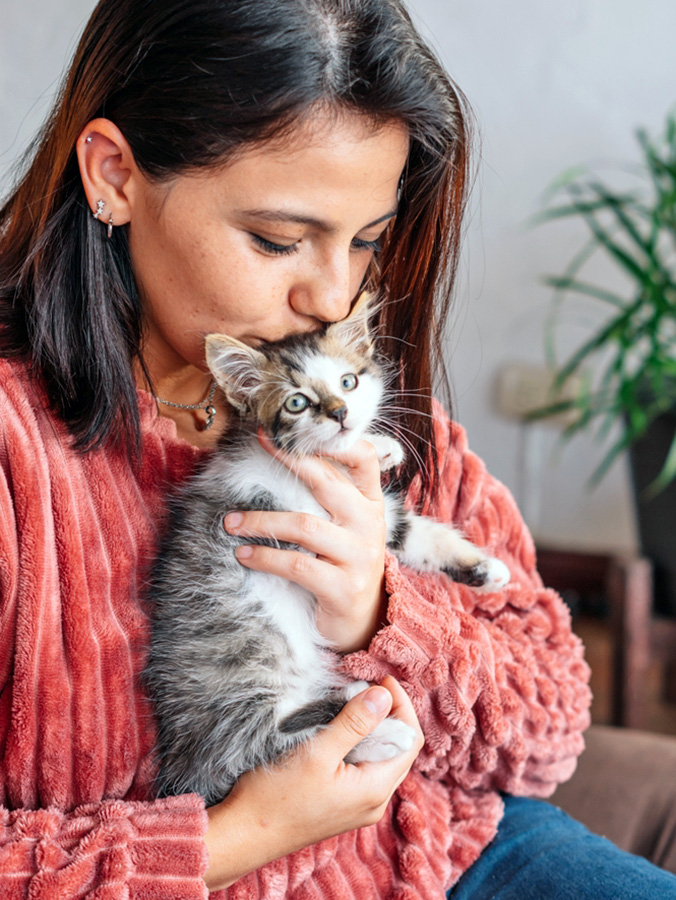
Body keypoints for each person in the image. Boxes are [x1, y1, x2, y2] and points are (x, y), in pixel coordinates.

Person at [0, 1, 674, 898]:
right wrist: (240, 835)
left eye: (367, 242)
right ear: (115, 176)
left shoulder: (355, 406)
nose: (331, 296)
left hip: (452, 858)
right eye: (277, 240)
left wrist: (382, 614)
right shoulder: (20, 454)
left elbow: (550, 727)